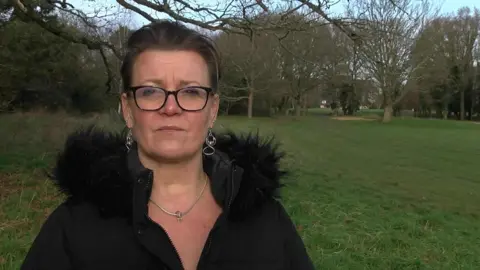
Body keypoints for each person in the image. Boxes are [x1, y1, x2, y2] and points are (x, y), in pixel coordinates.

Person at [21, 20, 315, 270]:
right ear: (127, 109)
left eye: (190, 91)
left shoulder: (265, 219)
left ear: (212, 109)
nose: (171, 108)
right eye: (150, 91)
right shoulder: (73, 228)